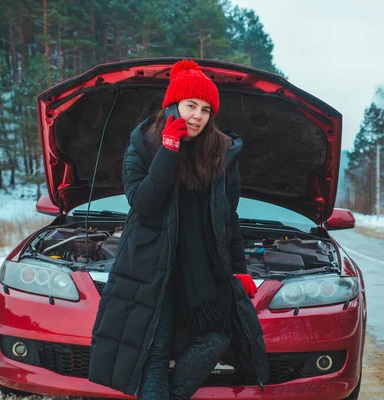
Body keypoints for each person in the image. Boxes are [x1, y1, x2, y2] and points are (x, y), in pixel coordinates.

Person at [88, 59, 269, 399]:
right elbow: (143, 203)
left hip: (201, 269)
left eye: (205, 109)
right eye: (190, 106)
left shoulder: (221, 152)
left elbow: (228, 217)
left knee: (218, 335)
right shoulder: (143, 145)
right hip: (151, 269)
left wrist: (239, 269)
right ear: (173, 106)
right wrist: (168, 151)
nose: (197, 115)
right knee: (153, 355)